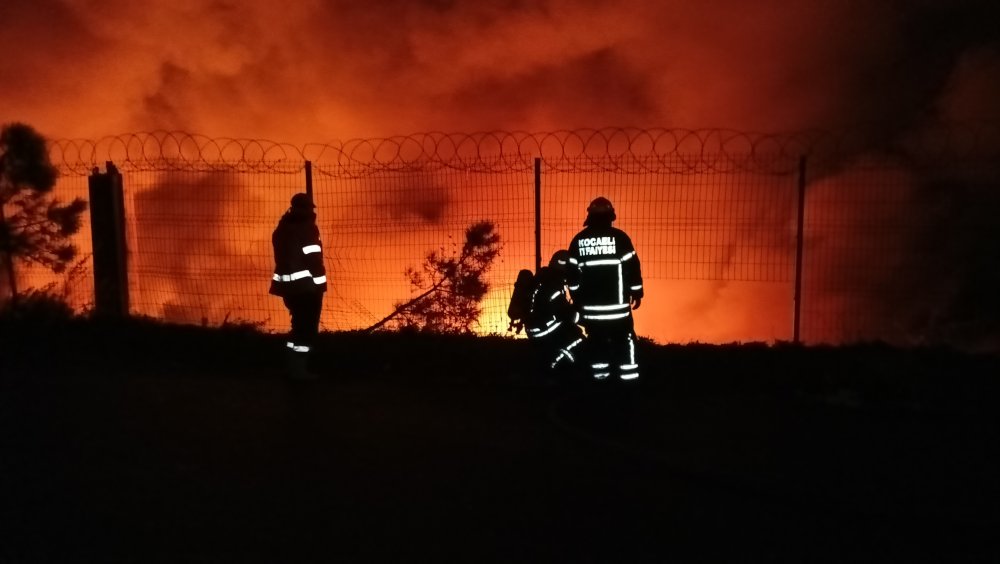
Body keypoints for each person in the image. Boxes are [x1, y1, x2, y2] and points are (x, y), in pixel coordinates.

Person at [567, 197, 644, 383]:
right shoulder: (620, 238)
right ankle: (629, 382)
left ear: (590, 217)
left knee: (597, 346)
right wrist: (637, 292)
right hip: (618, 312)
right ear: (611, 216)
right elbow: (633, 267)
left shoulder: (578, 241)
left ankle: (600, 384)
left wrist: (577, 300)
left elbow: (572, 278)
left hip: (592, 312)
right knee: (625, 343)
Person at [269, 192, 327, 380]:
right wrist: (320, 283)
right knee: (306, 329)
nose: (311, 211)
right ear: (303, 208)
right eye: (309, 207)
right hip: (306, 288)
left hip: (289, 288)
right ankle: (299, 371)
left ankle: (291, 367)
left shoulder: (281, 229)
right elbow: (313, 260)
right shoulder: (307, 229)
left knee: (297, 326)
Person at [524, 250, 585, 381]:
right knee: (578, 339)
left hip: (534, 328)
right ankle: (557, 368)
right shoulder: (553, 285)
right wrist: (586, 320)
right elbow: (565, 313)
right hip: (543, 331)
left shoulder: (544, 279)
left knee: (571, 331)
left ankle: (554, 365)